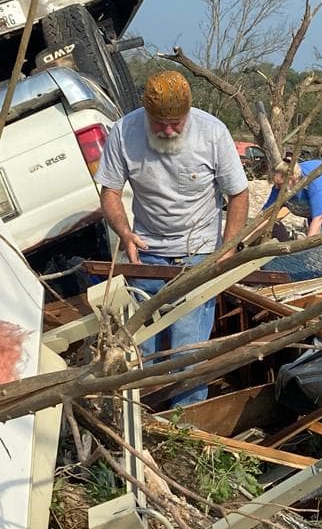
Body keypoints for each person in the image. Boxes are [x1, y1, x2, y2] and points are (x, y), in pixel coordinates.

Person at [95, 70, 250, 406]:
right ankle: (143, 423)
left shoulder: (212, 133)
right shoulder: (124, 132)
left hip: (198, 258)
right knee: (140, 356)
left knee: (186, 355)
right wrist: (125, 232)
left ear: (188, 113)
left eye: (176, 123)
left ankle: (184, 430)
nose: (167, 131)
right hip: (145, 257)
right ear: (146, 113)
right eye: (159, 123)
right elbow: (109, 192)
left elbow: (239, 194)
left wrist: (227, 246)